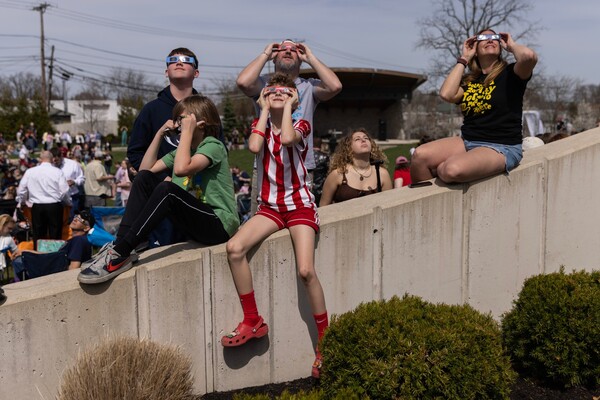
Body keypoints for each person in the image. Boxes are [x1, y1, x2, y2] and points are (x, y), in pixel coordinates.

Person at [221, 73, 328, 379]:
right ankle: (253, 319)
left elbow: (289, 139)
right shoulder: (261, 122)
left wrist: (290, 107)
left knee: (306, 271)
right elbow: (255, 146)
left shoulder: (301, 123)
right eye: (272, 90)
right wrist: (265, 109)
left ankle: (325, 342)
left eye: (285, 91)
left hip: (300, 207)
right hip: (270, 207)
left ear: (295, 97)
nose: (277, 93)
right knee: (234, 248)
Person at [78, 95, 239, 284]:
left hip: (219, 225)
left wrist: (186, 133)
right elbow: (143, 173)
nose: (177, 124)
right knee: (145, 179)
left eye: (182, 119)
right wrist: (159, 133)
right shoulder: (182, 151)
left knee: (167, 189)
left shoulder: (213, 145)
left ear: (200, 123)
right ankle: (121, 246)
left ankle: (121, 253)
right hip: (196, 221)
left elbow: (181, 169)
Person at [410, 29, 538, 184]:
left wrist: (511, 45)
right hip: (467, 140)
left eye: (494, 37)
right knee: (419, 156)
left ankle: (445, 170)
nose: (490, 40)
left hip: (502, 146)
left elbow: (529, 57)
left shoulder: (511, 73)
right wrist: (464, 59)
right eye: (484, 37)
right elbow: (446, 94)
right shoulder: (470, 81)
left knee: (450, 169)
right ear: (475, 48)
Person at [236, 39, 342, 212]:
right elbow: (243, 82)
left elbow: (335, 86)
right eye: (282, 49)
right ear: (274, 58)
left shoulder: (309, 86)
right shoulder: (263, 85)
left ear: (300, 59)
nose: (287, 51)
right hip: (266, 167)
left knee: (299, 215)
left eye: (293, 50)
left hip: (302, 167)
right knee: (260, 218)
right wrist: (265, 55)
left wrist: (311, 58)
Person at [126, 47, 200, 248]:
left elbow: (218, 150)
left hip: (196, 196)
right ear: (166, 72)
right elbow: (135, 153)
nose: (179, 62)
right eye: (172, 60)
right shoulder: (151, 110)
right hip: (160, 198)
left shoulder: (205, 108)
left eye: (186, 60)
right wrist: (162, 179)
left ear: (196, 72)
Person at [319, 129, 392, 206]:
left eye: (366, 138)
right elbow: (323, 207)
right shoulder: (338, 174)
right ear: (349, 148)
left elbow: (389, 206)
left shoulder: (382, 174)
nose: (363, 140)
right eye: (357, 139)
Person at [15, 151, 70, 248]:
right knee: (55, 234)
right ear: (52, 159)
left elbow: (21, 190)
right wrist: (64, 201)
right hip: (54, 205)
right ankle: (55, 256)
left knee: (38, 234)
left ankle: (39, 255)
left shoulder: (30, 171)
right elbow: (64, 190)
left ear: (40, 159)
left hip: (37, 205)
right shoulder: (57, 171)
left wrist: (22, 202)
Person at [13, 210, 95, 273]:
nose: (75, 219)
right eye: (76, 216)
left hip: (54, 273)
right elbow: (53, 255)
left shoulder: (79, 241)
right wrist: (26, 251)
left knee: (19, 262)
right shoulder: (74, 240)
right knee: (19, 259)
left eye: (81, 219)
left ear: (87, 228)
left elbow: (74, 268)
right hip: (52, 266)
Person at [51, 148, 85, 217]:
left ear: (61, 156)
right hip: (54, 199)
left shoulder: (72, 164)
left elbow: (82, 178)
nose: (55, 163)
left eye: (56, 160)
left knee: (72, 220)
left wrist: (74, 182)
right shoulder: (49, 165)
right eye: (53, 161)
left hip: (72, 197)